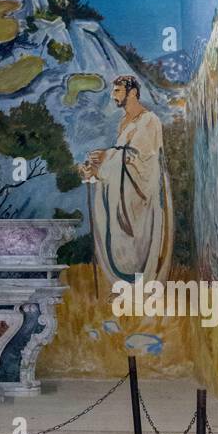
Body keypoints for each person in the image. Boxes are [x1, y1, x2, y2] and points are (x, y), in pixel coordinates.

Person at [79, 74, 173, 285]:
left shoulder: (149, 120)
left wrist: (107, 157)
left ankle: (141, 288)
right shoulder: (123, 122)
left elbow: (143, 159)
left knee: (141, 243)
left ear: (132, 92)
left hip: (143, 194)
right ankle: (126, 287)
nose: (113, 96)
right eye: (113, 91)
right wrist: (96, 168)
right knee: (122, 242)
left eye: (117, 91)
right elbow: (122, 157)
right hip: (123, 193)